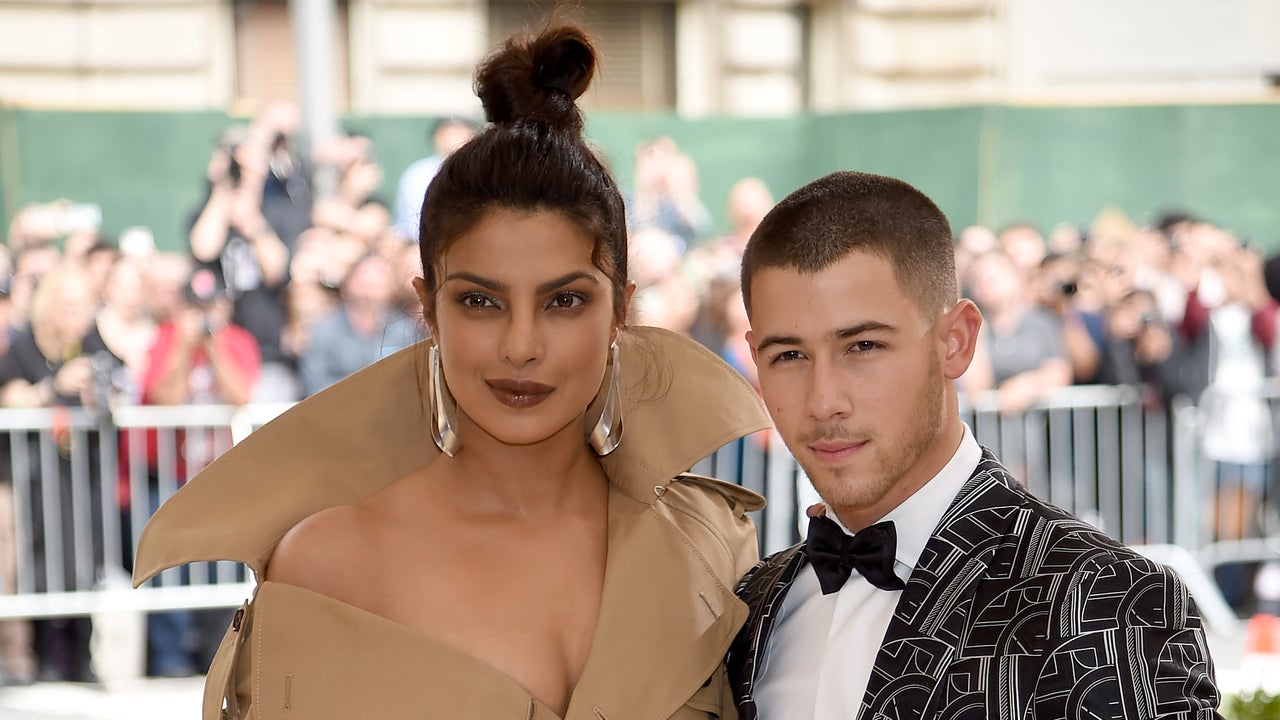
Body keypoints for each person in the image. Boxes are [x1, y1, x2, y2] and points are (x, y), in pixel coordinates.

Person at [133, 23, 770, 720]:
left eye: (564, 300)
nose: (521, 345)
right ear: (428, 308)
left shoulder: (711, 546)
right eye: (479, 300)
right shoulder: (328, 563)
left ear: (621, 308)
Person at [726, 171, 1221, 719]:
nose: (824, 401)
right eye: (789, 356)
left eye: (863, 346)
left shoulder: (1104, 603)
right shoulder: (751, 606)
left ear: (955, 342)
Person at [392, 116, 477, 241]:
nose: (457, 138)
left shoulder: (481, 172)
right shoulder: (418, 174)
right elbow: (412, 225)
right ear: (437, 137)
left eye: (462, 131)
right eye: (450, 132)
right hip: (421, 245)